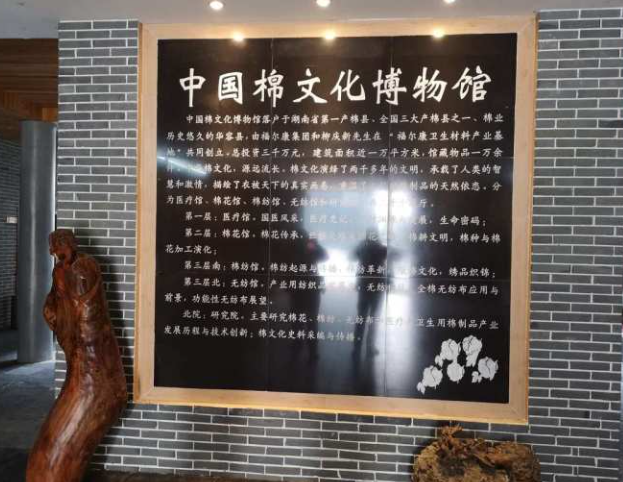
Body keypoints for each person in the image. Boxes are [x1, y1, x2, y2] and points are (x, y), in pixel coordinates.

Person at [26, 229, 127, 482]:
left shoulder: (86, 267)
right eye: (54, 249)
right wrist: (52, 310)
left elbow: (85, 307)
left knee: (88, 393)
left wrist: (69, 313)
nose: (55, 253)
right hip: (76, 348)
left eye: (59, 247)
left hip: (92, 352)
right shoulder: (59, 271)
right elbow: (55, 298)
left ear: (70, 245)